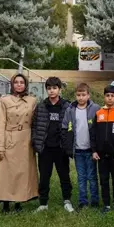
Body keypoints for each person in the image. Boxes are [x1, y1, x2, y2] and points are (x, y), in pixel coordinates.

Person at [0, 74, 39, 214]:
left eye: (22, 82)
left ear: (25, 84)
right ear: (12, 84)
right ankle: (5, 203)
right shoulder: (5, 100)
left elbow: (37, 122)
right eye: (16, 82)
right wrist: (0, 146)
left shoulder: (32, 101)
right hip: (9, 138)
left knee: (22, 173)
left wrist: (37, 142)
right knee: (6, 172)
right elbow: (0, 124)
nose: (19, 85)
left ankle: (19, 202)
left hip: (26, 140)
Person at [32, 77, 73, 213]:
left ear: (59, 89)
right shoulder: (41, 106)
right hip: (45, 149)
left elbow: (71, 127)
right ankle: (43, 203)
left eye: (54, 88)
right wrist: (36, 142)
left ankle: (67, 200)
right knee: (44, 176)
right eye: (49, 88)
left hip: (60, 149)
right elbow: (34, 126)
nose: (52, 91)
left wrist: (67, 145)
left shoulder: (67, 106)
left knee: (64, 176)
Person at [63, 83, 101, 209]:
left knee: (92, 176)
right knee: (81, 177)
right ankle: (83, 201)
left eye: (83, 95)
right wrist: (68, 146)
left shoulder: (95, 108)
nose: (81, 97)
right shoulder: (70, 110)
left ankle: (95, 201)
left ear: (88, 95)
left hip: (91, 150)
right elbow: (65, 127)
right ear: (75, 95)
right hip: (78, 150)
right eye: (78, 95)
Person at [91, 85, 114, 214]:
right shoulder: (99, 113)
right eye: (107, 96)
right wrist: (94, 150)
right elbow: (93, 133)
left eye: (112, 96)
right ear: (104, 97)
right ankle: (106, 204)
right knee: (104, 180)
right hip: (101, 154)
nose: (110, 98)